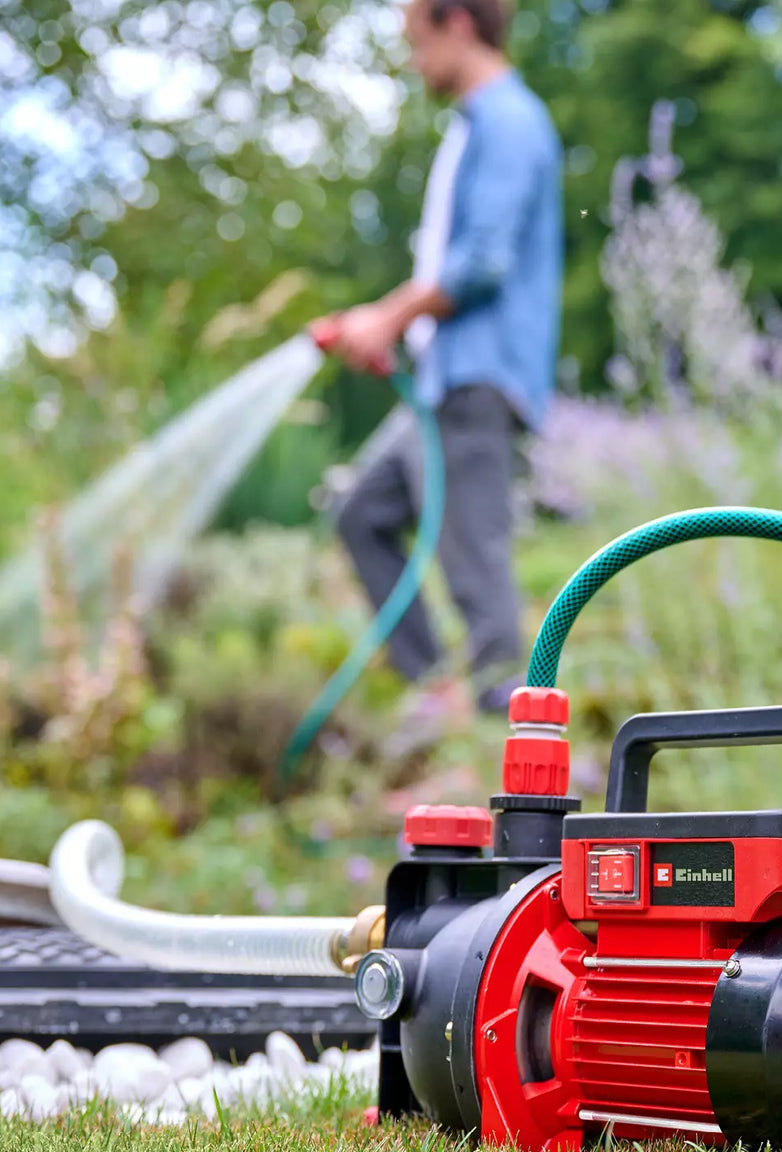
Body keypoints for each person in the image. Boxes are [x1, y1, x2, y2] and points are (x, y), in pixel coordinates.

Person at [316, 0, 562, 716]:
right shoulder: (472, 126)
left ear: (456, 23)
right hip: (441, 378)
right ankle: (433, 694)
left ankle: (497, 739)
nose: (412, 61)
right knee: (361, 514)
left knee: (476, 574)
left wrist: (386, 317)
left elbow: (482, 263)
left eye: (416, 43)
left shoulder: (509, 120)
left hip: (476, 379)